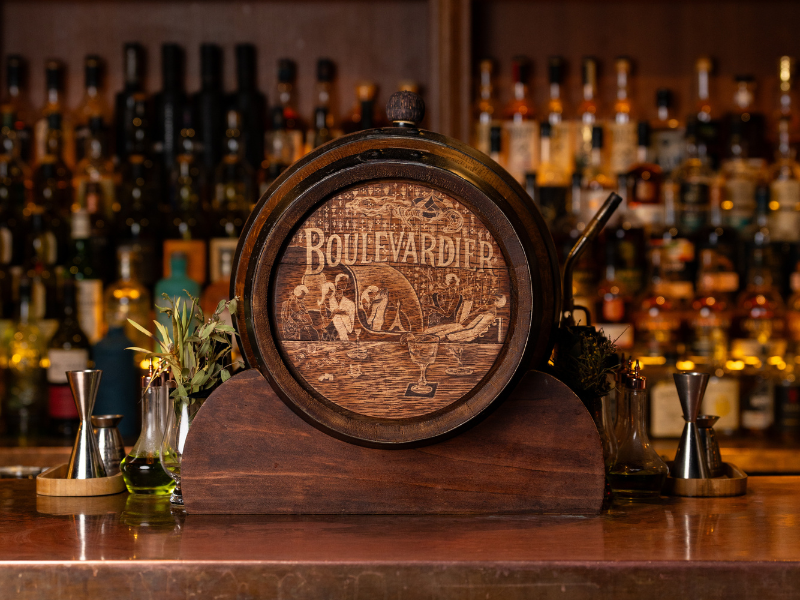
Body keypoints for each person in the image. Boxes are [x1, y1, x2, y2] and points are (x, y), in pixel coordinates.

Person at [321, 274, 356, 341]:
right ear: (336, 282)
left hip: (343, 334)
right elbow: (323, 321)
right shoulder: (328, 299)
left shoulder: (350, 303)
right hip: (329, 332)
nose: (344, 283)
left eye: (346, 281)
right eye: (342, 280)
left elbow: (351, 325)